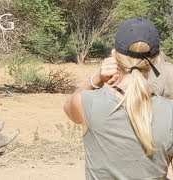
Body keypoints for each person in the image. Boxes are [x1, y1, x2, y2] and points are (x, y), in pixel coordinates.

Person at [63, 17, 173, 179]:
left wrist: (97, 79)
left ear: (114, 55)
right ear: (156, 59)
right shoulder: (170, 113)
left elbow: (68, 108)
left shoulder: (88, 102)